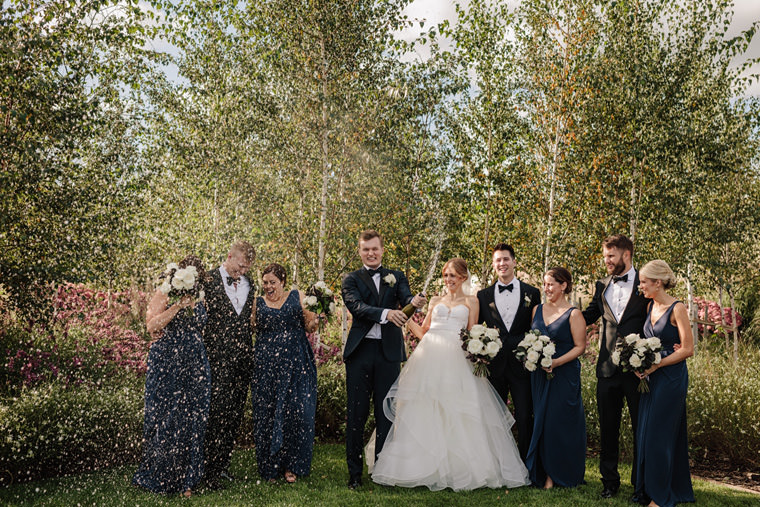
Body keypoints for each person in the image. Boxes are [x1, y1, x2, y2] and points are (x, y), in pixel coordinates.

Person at [371, 258, 530, 491]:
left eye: (453, 275)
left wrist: (480, 348)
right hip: (429, 357)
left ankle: (460, 468)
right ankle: (422, 465)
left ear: (463, 277)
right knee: (426, 409)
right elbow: (424, 331)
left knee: (458, 411)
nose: (448, 280)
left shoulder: (472, 301)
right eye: (446, 275)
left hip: (457, 360)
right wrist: (405, 320)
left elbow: (472, 332)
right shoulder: (435, 300)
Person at [341, 229, 426, 490]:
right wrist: (388, 313)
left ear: (382, 249)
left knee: (386, 414)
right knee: (357, 413)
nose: (370, 253)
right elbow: (357, 307)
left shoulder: (397, 276)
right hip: (360, 352)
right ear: (360, 251)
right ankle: (355, 474)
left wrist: (416, 301)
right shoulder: (351, 279)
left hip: (389, 353)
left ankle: (382, 469)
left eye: (375, 248)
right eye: (366, 249)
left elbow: (406, 297)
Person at [133, 256, 211, 498]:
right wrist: (177, 306)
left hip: (194, 362)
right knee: (168, 415)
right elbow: (151, 326)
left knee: (192, 416)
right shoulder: (165, 292)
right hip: (167, 361)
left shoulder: (199, 297)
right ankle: (165, 476)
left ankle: (187, 478)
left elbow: (200, 326)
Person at [582, 234, 649, 501]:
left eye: (611, 256)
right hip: (607, 369)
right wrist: (556, 316)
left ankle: (640, 484)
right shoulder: (601, 285)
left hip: (638, 371)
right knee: (608, 429)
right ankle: (609, 483)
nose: (606, 261)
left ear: (627, 254)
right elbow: (588, 315)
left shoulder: (646, 285)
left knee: (640, 429)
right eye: (605, 256)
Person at [250, 263, 318, 484]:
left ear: (282, 281)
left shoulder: (297, 296)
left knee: (297, 412)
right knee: (267, 413)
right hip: (266, 365)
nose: (268, 286)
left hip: (296, 361)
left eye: (272, 282)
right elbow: (249, 327)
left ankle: (292, 466)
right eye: (265, 283)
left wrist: (317, 318)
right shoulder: (257, 302)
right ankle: (271, 467)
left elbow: (309, 325)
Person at [634, 260, 694, 507]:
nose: (641, 287)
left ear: (658, 283)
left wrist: (657, 364)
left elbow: (688, 349)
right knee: (647, 433)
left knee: (660, 435)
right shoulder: (650, 306)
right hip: (651, 376)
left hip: (670, 378)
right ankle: (651, 489)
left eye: (644, 282)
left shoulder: (677, 308)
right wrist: (639, 363)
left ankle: (660, 496)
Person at [477, 243, 541, 460]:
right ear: (493, 265)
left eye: (506, 259)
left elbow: (536, 327)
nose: (502, 264)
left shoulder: (532, 293)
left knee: (524, 416)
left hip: (522, 365)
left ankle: (525, 463)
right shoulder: (482, 295)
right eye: (498, 260)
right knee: (494, 417)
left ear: (514, 262)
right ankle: (497, 463)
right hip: (494, 366)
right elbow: (476, 328)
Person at [201, 241, 257, 489]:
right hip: (214, 359)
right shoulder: (207, 280)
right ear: (229, 256)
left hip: (242, 361)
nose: (242, 272)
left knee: (233, 415)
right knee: (215, 412)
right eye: (240, 266)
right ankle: (206, 468)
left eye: (246, 268)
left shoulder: (251, 284)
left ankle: (222, 465)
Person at [525, 267, 587, 489]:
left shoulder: (574, 314)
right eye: (545, 283)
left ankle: (557, 473)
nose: (546, 288)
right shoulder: (536, 310)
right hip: (540, 374)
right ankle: (541, 470)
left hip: (564, 375)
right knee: (541, 420)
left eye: (551, 284)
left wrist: (557, 363)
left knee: (559, 422)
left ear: (564, 286)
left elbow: (580, 347)